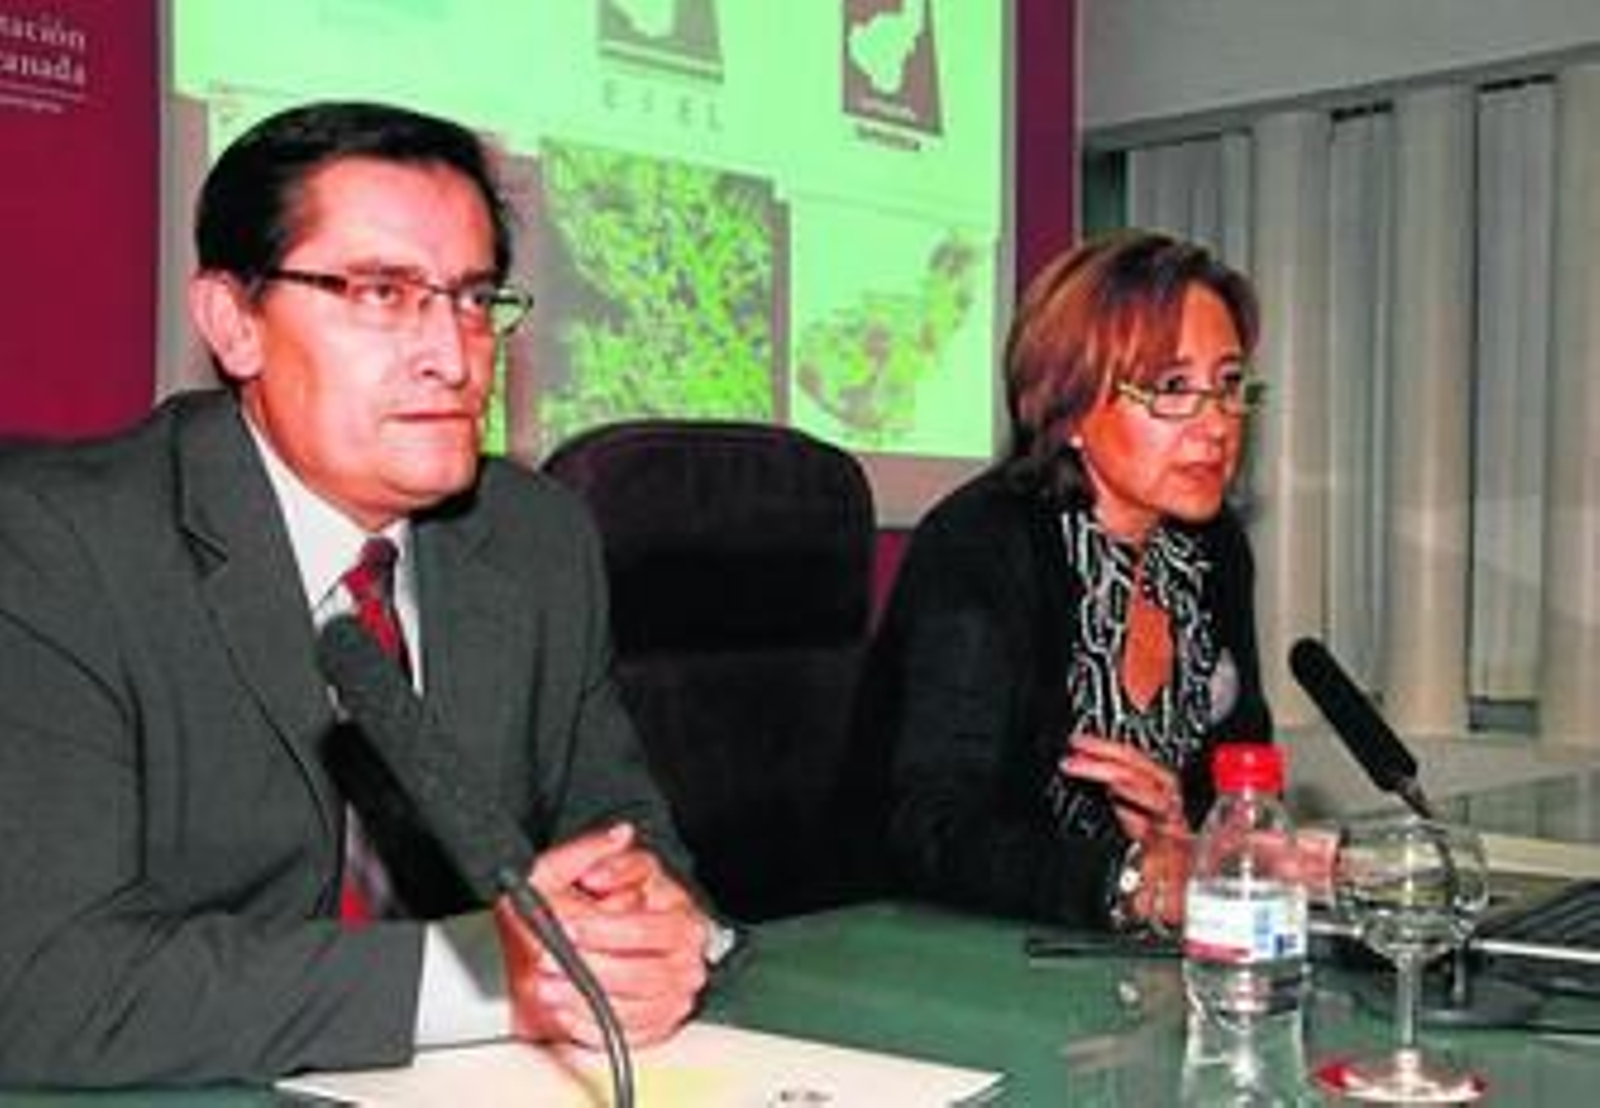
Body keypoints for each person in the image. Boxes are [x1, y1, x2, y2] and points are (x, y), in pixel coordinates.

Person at [0, 101, 719, 1086]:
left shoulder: (538, 541)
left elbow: (636, 848)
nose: (454, 354)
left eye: (472, 297)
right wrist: (490, 975)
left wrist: (649, 920)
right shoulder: (57, 545)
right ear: (233, 321)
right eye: (381, 293)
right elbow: (44, 982)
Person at [857, 230, 1274, 934]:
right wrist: (1131, 877)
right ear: (1071, 406)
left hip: (1124, 964)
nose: (1216, 425)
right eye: (1174, 389)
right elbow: (929, 829)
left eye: (1230, 387)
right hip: (955, 960)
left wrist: (1204, 835)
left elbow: (1239, 767)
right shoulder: (983, 547)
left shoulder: (1212, 549)